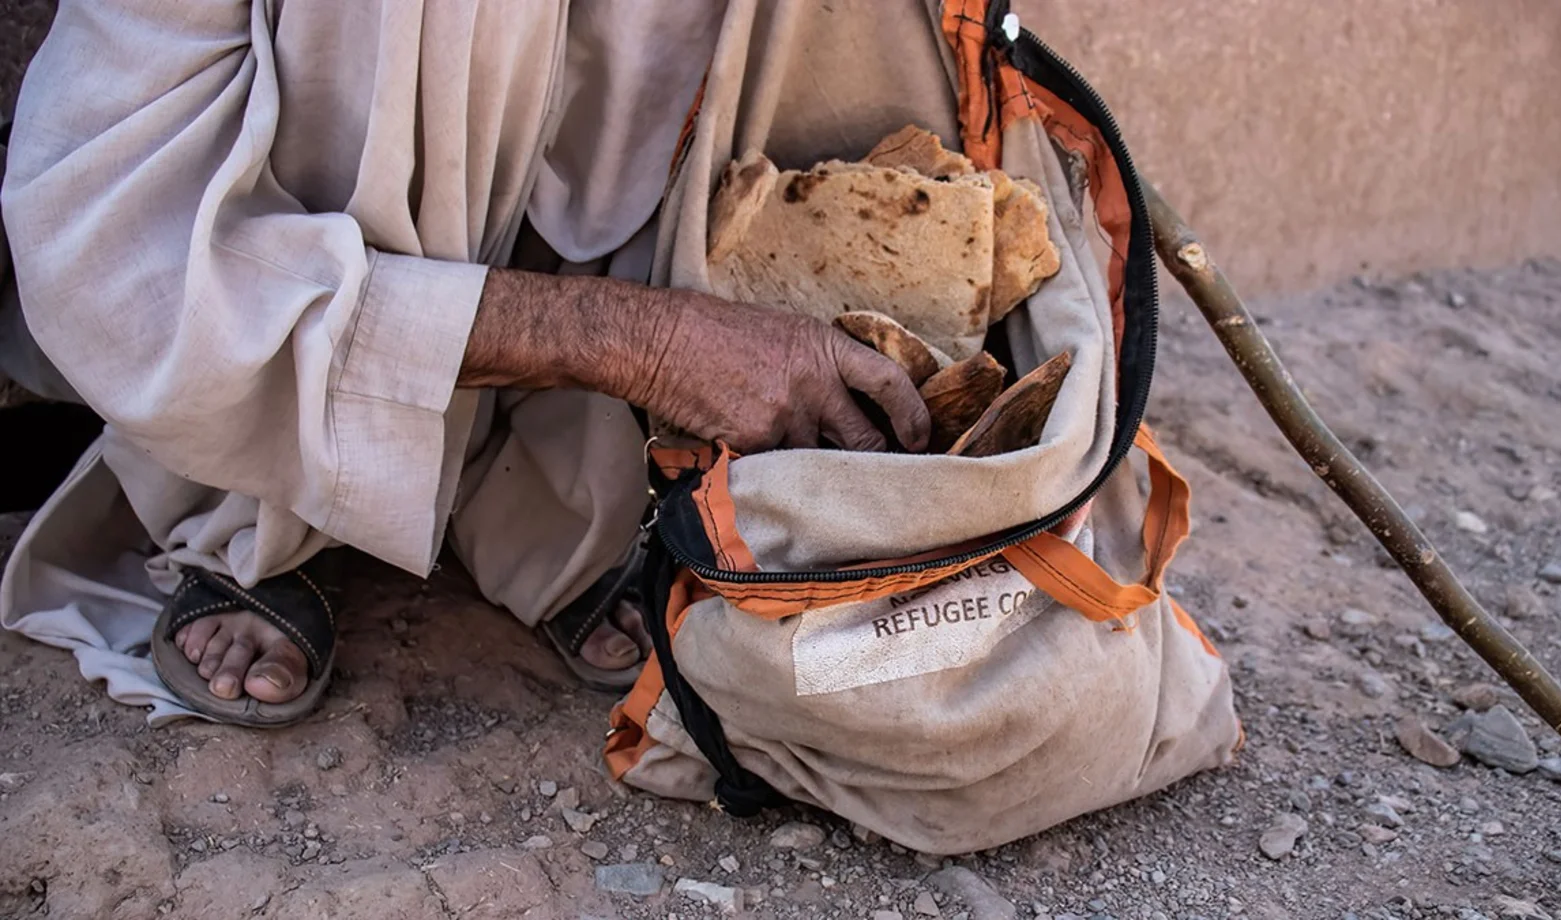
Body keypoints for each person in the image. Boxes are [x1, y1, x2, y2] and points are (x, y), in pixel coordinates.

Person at [0, 0, 930, 725]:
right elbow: (114, 253)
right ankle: (260, 513)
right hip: (275, 225)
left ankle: (573, 483)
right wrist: (646, 344)